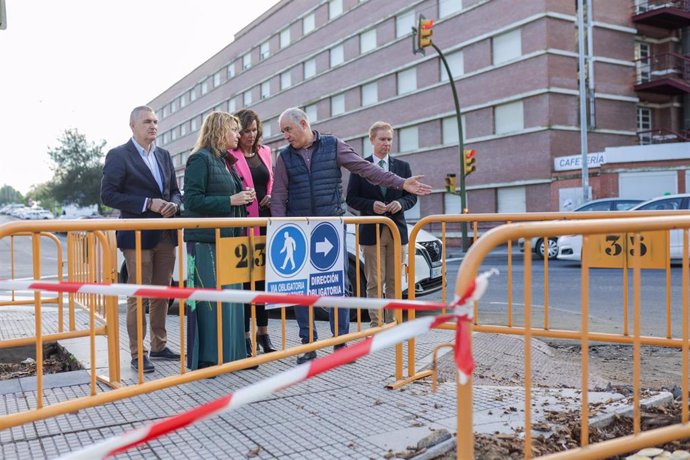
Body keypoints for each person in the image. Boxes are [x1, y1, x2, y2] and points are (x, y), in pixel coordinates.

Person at [271, 107, 432, 364]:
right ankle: (308, 344)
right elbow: (278, 195)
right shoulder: (284, 158)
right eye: (283, 132)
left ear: (303, 124)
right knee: (301, 290)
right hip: (300, 230)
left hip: (330, 229)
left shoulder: (333, 145)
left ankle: (341, 344)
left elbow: (366, 169)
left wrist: (400, 183)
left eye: (288, 130)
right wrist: (279, 230)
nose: (285, 136)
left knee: (336, 286)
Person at [100, 105, 182, 374]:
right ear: (132, 125)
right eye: (147, 121)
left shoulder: (164, 155)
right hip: (136, 236)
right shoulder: (118, 155)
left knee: (163, 293)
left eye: (156, 121)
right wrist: (149, 203)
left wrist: (172, 204)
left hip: (166, 235)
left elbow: (175, 191)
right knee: (139, 295)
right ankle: (138, 353)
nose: (153, 126)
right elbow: (109, 195)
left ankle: (159, 344)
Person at [182, 111, 257, 370]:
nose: (239, 135)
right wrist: (230, 200)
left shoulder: (226, 161)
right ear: (219, 131)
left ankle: (233, 355)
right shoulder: (199, 160)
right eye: (234, 130)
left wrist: (243, 196)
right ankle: (208, 359)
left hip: (228, 242)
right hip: (206, 243)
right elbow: (191, 201)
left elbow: (229, 195)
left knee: (232, 302)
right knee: (210, 303)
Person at [346, 121, 417, 327]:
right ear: (372, 140)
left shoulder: (402, 167)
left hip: (397, 232)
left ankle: (392, 322)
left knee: (395, 280)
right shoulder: (361, 167)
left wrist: (400, 203)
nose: (386, 143)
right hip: (371, 232)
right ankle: (376, 324)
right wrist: (370, 205)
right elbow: (351, 198)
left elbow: (411, 198)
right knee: (375, 281)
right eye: (382, 139)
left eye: (389, 139)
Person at [228, 108, 277, 356]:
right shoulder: (230, 155)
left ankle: (264, 333)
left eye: (254, 130)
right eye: (245, 131)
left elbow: (272, 180)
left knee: (263, 281)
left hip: (266, 222)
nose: (250, 135)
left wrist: (271, 194)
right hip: (244, 223)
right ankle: (245, 337)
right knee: (247, 281)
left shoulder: (265, 152)